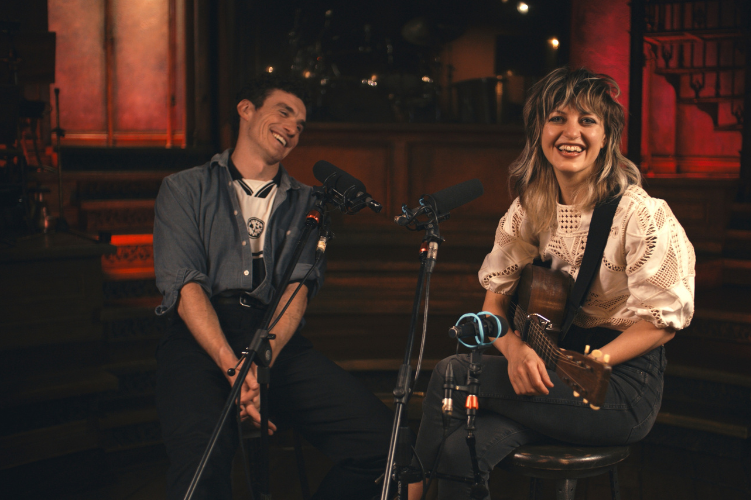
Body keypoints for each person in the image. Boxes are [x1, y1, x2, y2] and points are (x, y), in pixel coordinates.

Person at [409, 67, 695, 499]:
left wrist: (596, 360)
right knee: (456, 451)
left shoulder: (641, 215)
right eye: (557, 118)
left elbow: (663, 321)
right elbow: (494, 304)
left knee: (452, 373)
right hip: (547, 371)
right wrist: (515, 350)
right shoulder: (531, 207)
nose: (571, 132)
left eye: (587, 121)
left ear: (607, 137)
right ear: (538, 131)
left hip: (618, 385)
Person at [153, 73, 393, 500]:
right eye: (284, 113)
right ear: (247, 109)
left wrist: (260, 362)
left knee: (387, 447)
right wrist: (233, 368)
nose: (293, 129)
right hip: (201, 339)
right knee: (201, 463)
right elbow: (185, 286)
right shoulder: (184, 188)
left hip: (276, 340)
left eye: (301, 125)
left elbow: (296, 291)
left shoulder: (310, 203)